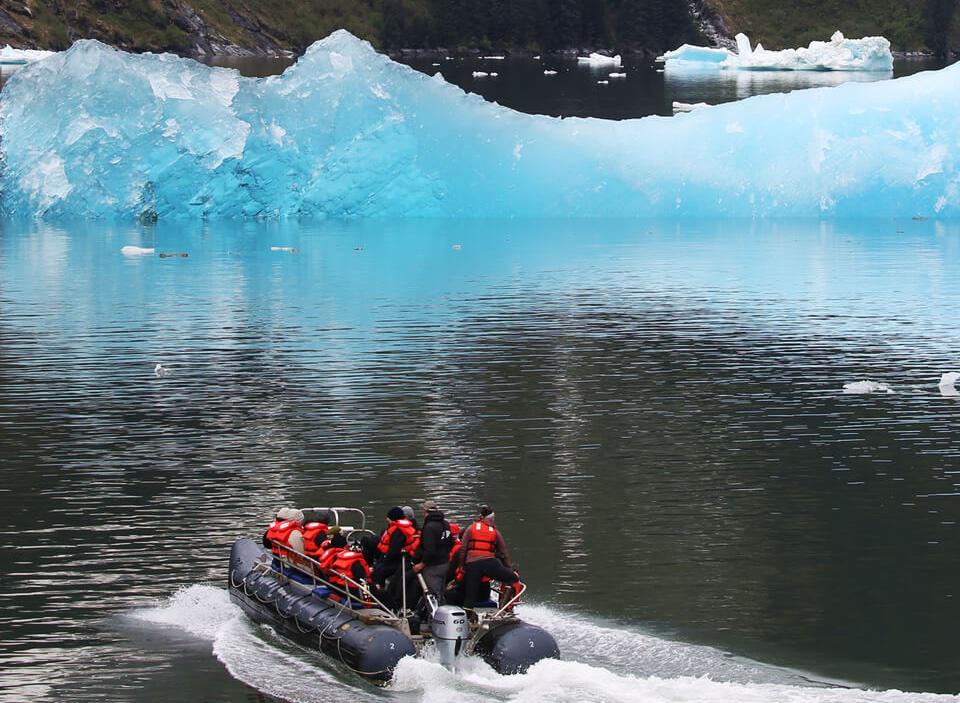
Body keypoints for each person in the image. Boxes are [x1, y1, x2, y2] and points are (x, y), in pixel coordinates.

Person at [459, 505, 519, 609]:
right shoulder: (495, 532)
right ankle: (505, 607)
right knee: (513, 578)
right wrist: (509, 568)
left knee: (470, 597)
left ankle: (467, 617)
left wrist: (461, 565)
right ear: (492, 519)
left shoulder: (470, 528)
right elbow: (504, 553)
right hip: (490, 564)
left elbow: (463, 549)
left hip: (472, 565)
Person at [412, 500, 454, 598]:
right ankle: (442, 609)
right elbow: (451, 542)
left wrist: (421, 564)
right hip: (445, 563)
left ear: (425, 512)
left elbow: (430, 550)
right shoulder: (446, 524)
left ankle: (434, 612)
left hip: (433, 567)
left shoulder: (429, 527)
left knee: (432, 595)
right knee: (441, 593)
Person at [372, 506, 419, 586]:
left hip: (400, 560)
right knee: (377, 567)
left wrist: (384, 562)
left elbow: (393, 551)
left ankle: (379, 592)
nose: (387, 519)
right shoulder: (404, 528)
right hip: (402, 558)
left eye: (388, 518)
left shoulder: (398, 531)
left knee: (378, 571)